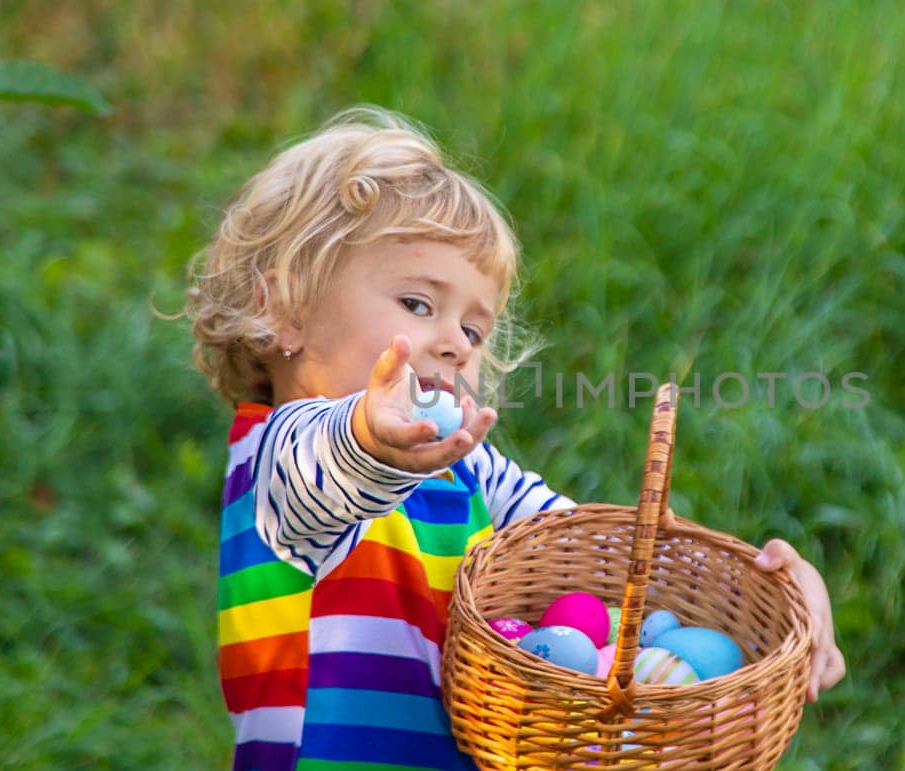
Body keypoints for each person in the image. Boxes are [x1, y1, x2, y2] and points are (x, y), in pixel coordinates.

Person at [185, 106, 846, 771]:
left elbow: (603, 557)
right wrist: (368, 437)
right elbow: (328, 470)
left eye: (474, 330)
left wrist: (762, 589)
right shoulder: (280, 453)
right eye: (418, 303)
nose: (454, 343)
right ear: (283, 311)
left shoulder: (469, 472)